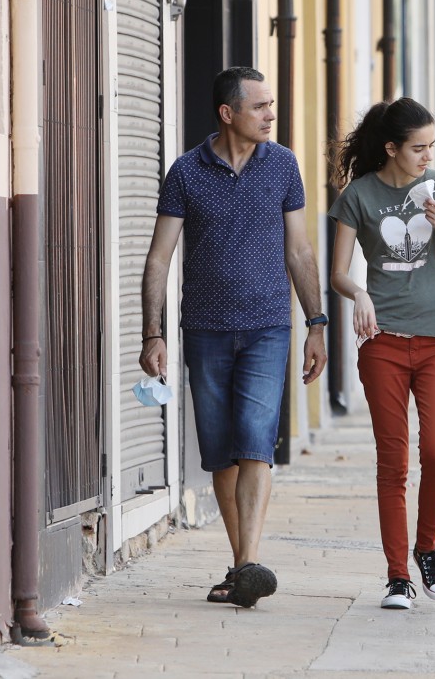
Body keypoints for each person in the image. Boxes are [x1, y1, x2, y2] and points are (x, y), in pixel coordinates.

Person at [140, 66, 327, 608]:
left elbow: (300, 251)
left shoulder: (283, 165)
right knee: (222, 454)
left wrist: (316, 324)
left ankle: (246, 564)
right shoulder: (185, 173)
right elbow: (158, 257)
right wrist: (153, 334)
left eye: (271, 105)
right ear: (228, 114)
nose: (271, 114)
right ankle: (242, 564)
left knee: (255, 442)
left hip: (269, 326)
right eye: (260, 107)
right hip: (205, 330)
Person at [328, 97, 435, 610]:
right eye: (417, 148)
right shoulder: (358, 196)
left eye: (431, 145)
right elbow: (339, 271)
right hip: (382, 342)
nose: (427, 156)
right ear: (391, 148)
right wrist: (360, 294)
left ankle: (427, 548)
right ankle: (396, 576)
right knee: (393, 461)